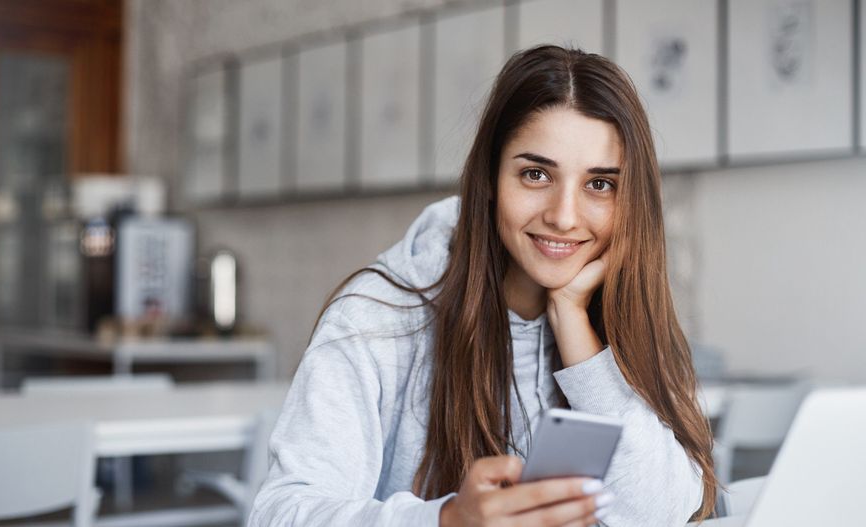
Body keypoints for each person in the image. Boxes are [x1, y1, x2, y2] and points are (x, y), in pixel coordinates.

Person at [249, 45, 717, 526]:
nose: (563, 216)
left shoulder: (617, 314)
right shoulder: (375, 317)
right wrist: (447, 520)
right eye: (536, 174)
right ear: (490, 178)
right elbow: (280, 514)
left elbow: (663, 513)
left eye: (599, 185)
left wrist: (577, 332)